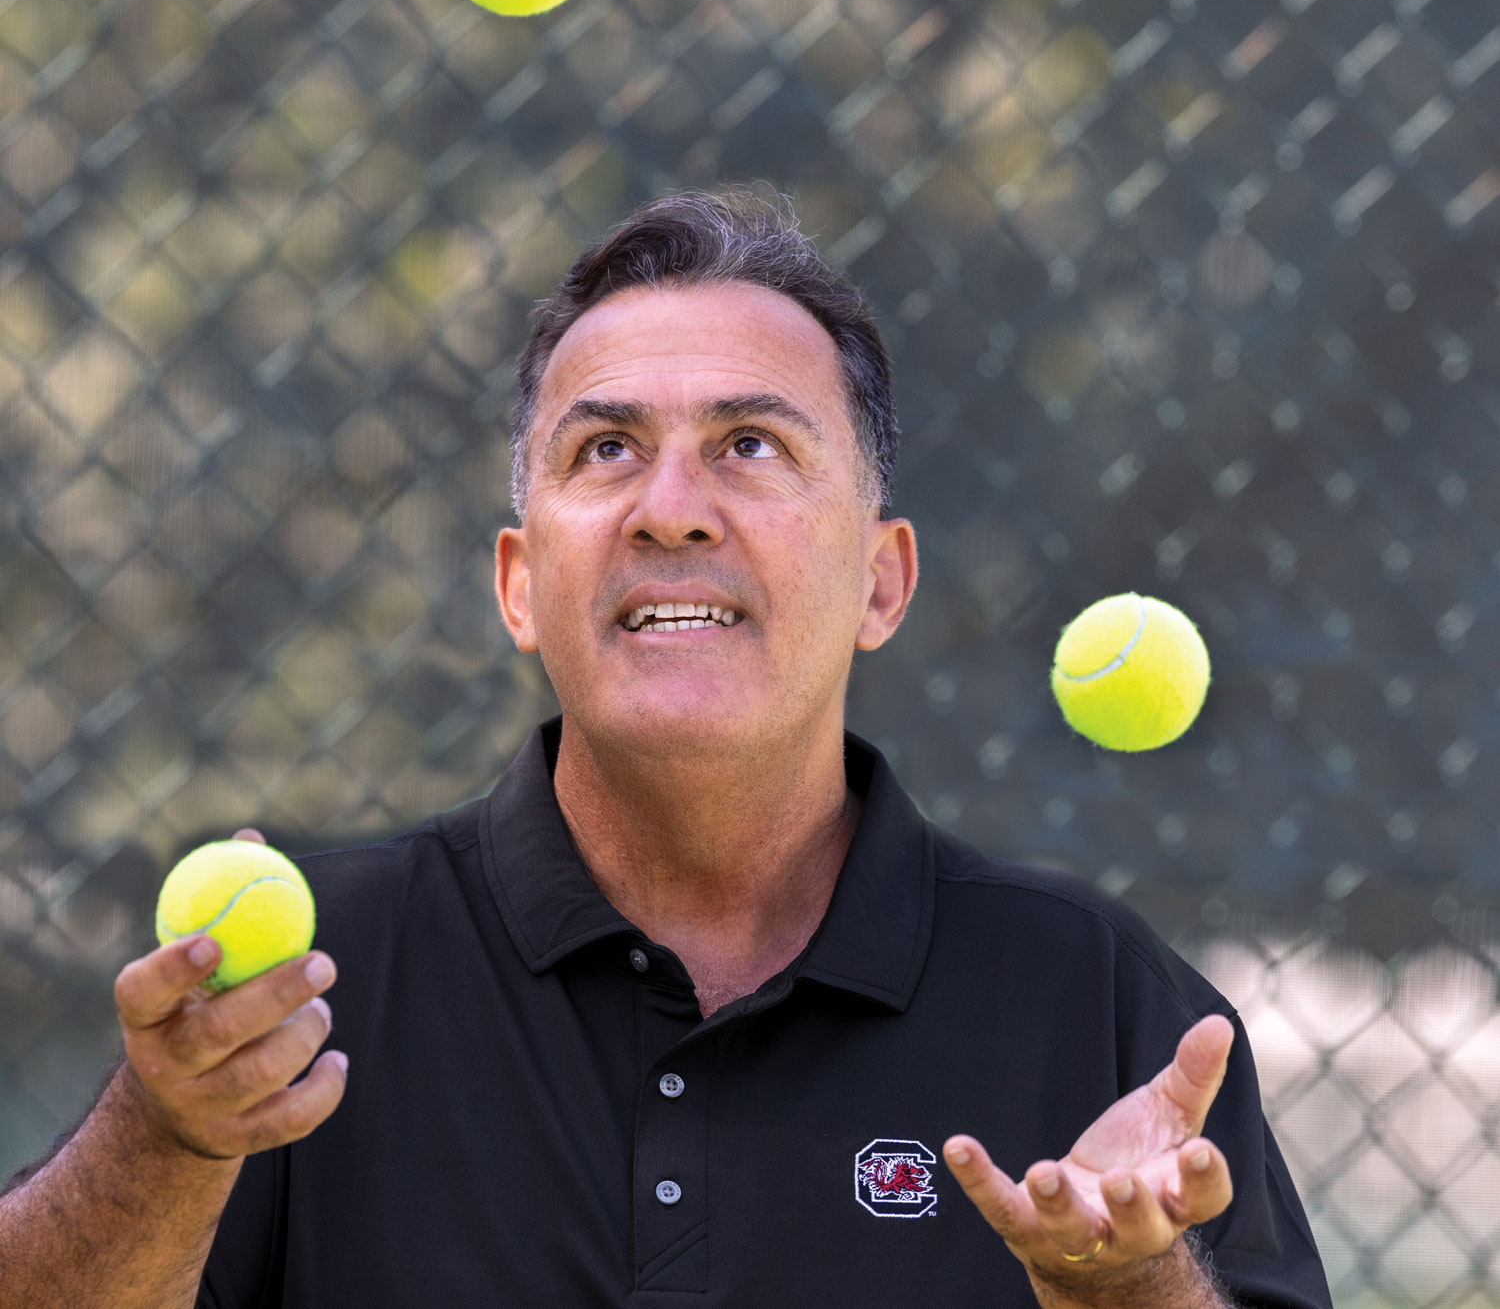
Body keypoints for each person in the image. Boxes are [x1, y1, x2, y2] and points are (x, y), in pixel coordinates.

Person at [0, 188, 1332, 1309]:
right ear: (521, 585)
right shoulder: (307, 989)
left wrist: (1127, 1290)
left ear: (882, 581)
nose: (672, 511)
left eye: (749, 445)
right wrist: (167, 1137)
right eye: (607, 448)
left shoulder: (1087, 994)